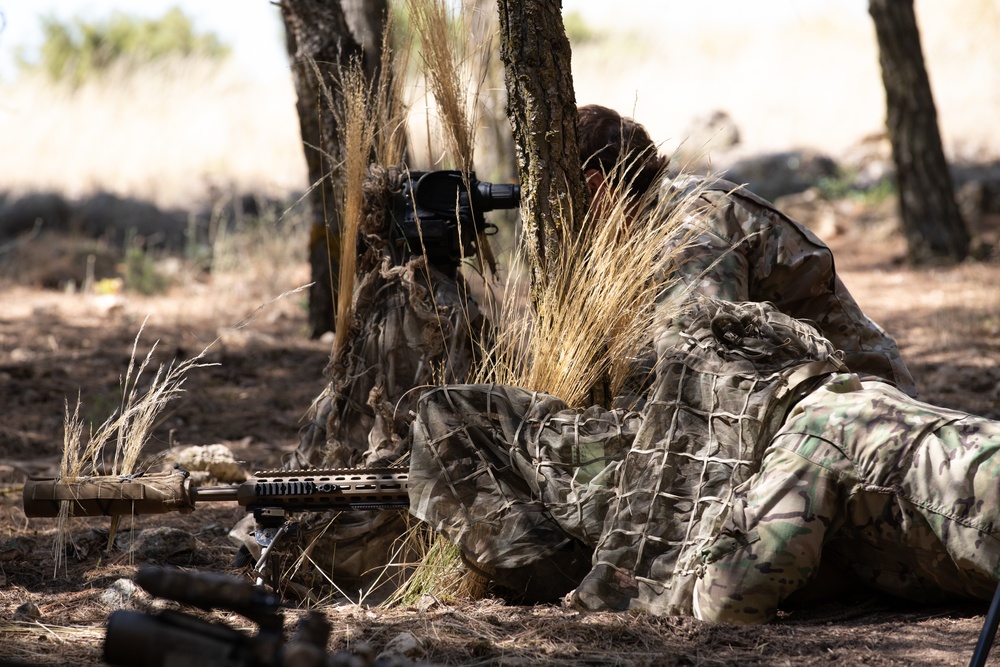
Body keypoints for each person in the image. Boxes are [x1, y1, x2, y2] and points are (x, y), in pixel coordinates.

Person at [405, 107, 999, 620]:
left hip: (835, 436)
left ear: (597, 188)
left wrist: (638, 567)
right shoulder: (646, 230)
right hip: (800, 442)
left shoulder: (689, 227)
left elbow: (701, 392)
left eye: (556, 204)